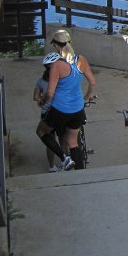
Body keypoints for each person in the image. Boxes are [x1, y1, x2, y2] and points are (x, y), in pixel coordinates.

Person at [35, 29, 96, 170]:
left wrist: (42, 102)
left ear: (56, 46)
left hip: (60, 109)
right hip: (78, 109)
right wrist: (86, 98)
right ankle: (81, 173)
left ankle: (64, 158)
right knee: (73, 142)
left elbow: (50, 92)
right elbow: (93, 83)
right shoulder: (81, 60)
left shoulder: (57, 65)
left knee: (41, 131)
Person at [34, 52, 64, 172]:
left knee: (50, 140)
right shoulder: (63, 78)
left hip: (46, 113)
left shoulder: (41, 79)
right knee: (63, 139)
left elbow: (36, 96)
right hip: (62, 111)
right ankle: (65, 162)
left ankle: (52, 166)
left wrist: (41, 100)